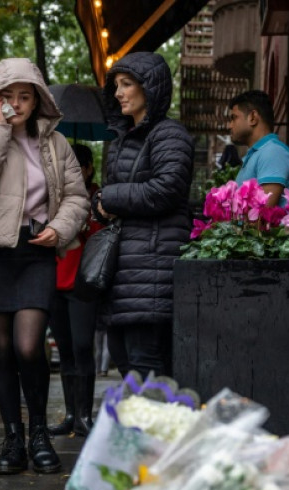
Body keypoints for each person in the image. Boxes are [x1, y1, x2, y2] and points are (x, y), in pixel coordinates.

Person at [0, 58, 89, 475]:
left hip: (36, 250)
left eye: (25, 96)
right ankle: (12, 437)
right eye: (8, 96)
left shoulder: (55, 144)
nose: (16, 103)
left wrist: (60, 228)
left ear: (37, 100)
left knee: (29, 346)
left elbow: (77, 197)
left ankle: (39, 434)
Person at [93, 52, 194, 378]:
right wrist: (99, 204)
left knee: (148, 371)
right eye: (117, 86)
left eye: (127, 84)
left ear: (150, 88)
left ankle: (156, 431)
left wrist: (109, 196)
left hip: (153, 272)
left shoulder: (169, 134)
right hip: (125, 276)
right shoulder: (123, 140)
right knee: (129, 369)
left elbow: (166, 189)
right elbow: (117, 197)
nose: (119, 92)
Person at [48, 144, 102, 437]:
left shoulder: (98, 198)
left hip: (83, 283)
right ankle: (70, 414)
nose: (74, 173)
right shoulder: (55, 198)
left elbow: (101, 237)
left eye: (79, 168)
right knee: (65, 350)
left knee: (83, 346)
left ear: (89, 169)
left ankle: (85, 414)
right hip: (55, 282)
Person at [227, 90, 289, 207]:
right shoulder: (259, 154)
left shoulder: (273, 152)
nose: (230, 125)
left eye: (234, 118)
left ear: (253, 117)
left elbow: (262, 214)